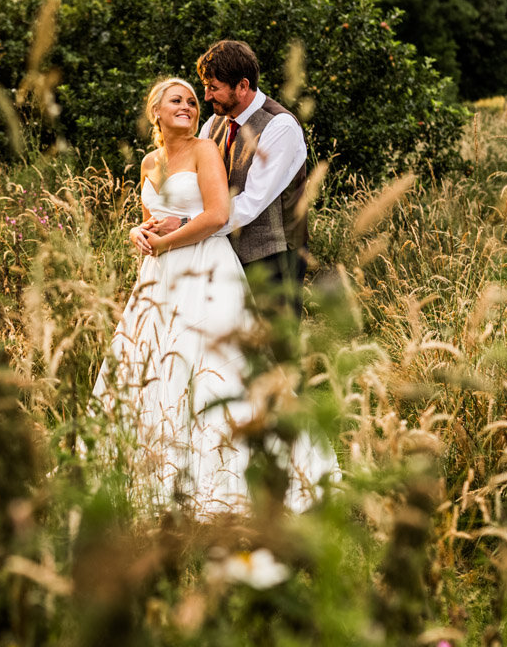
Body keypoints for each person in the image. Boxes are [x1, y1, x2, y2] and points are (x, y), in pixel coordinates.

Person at [90, 76, 334, 513]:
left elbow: (218, 214)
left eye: (191, 100)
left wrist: (166, 241)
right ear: (156, 112)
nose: (187, 106)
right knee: (154, 363)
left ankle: (232, 468)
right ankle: (154, 466)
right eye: (176, 100)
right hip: (159, 275)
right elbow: (151, 217)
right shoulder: (149, 161)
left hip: (204, 264)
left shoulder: (206, 150)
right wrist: (136, 232)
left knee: (216, 364)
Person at [135, 39, 308, 322]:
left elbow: (251, 202)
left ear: (242, 86)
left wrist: (183, 225)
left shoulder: (280, 126)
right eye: (205, 87)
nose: (205, 97)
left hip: (274, 256)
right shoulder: (213, 124)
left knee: (277, 351)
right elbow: (194, 187)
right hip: (220, 256)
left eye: (213, 88)